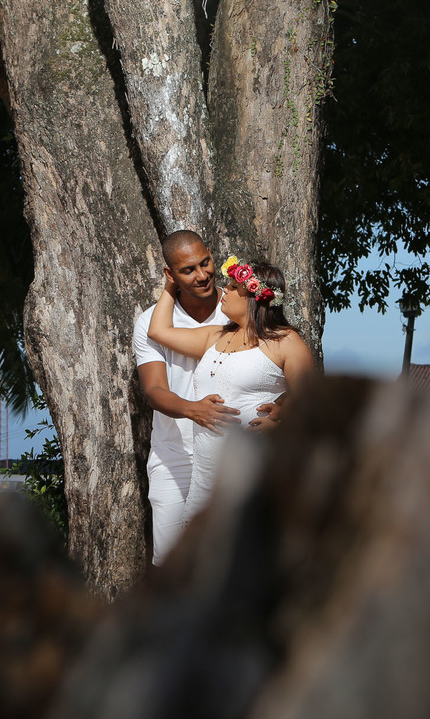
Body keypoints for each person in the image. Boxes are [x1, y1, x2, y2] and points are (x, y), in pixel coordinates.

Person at [148, 254, 316, 525]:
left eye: (232, 287)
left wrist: (282, 422)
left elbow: (315, 401)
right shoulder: (215, 336)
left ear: (253, 295)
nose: (223, 290)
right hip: (205, 478)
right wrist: (171, 285)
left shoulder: (286, 342)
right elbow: (158, 331)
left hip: (255, 474)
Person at [134, 230, 236, 565]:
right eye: (188, 270)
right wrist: (194, 410)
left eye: (205, 262)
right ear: (170, 275)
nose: (202, 274)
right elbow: (153, 390)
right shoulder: (150, 322)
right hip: (173, 457)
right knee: (170, 566)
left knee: (231, 563)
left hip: (232, 455)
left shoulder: (237, 310)